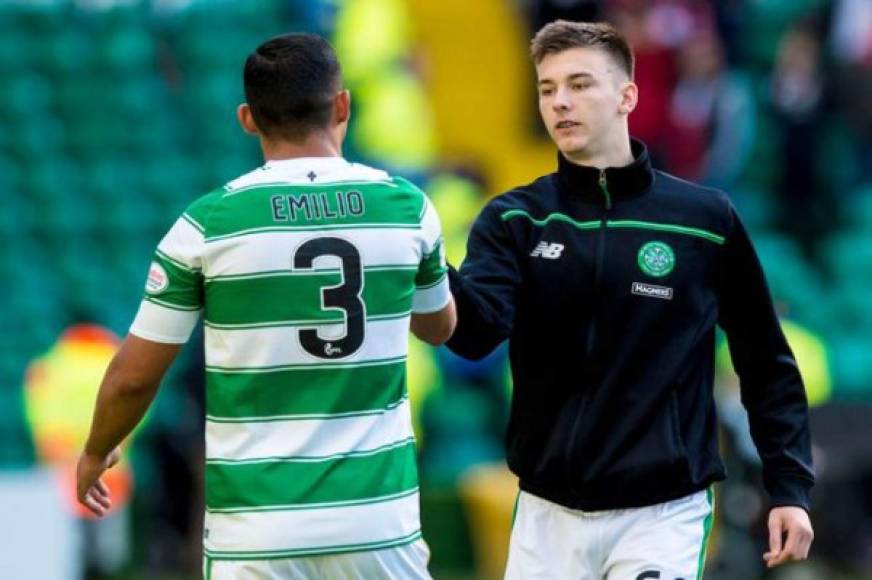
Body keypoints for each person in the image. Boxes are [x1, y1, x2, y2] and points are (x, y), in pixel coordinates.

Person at [76, 33, 455, 580]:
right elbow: (439, 327)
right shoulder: (408, 207)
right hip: (378, 523)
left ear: (248, 119)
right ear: (343, 104)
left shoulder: (207, 226)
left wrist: (96, 451)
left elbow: (134, 377)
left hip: (256, 532)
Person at [446, 20, 814, 579]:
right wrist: (424, 260)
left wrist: (789, 488)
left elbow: (765, 360)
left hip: (662, 513)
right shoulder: (514, 219)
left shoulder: (705, 221)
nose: (560, 103)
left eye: (579, 84)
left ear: (627, 96)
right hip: (547, 514)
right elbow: (473, 336)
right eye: (547, 90)